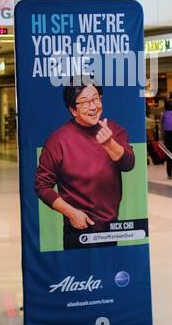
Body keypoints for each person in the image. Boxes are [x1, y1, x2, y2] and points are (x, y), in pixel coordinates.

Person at [34, 83, 135, 249]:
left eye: (96, 99)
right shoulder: (58, 141)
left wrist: (110, 144)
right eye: (85, 102)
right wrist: (71, 213)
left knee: (108, 272)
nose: (93, 106)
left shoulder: (113, 130)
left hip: (111, 227)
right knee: (81, 274)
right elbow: (42, 185)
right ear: (73, 110)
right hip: (78, 227)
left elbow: (128, 164)